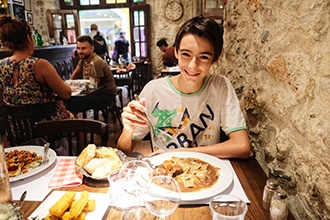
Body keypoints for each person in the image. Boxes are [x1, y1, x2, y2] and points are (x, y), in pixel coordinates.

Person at [117, 16, 250, 159]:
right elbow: (124, 152)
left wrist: (180, 153)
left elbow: (242, 147)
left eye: (203, 57)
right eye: (186, 54)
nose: (193, 65)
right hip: (164, 175)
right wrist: (128, 131)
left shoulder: (220, 86)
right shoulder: (153, 90)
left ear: (215, 59)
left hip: (207, 173)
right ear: (176, 53)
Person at [0, 16, 73, 146]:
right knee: (78, 122)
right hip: (45, 129)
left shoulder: (1, 65)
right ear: (29, 38)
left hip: (16, 130)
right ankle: (73, 157)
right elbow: (66, 93)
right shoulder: (39, 65)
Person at [69, 35, 117, 119]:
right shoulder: (83, 60)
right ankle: (75, 126)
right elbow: (74, 75)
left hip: (106, 95)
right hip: (96, 92)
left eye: (83, 48)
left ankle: (79, 127)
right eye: (78, 48)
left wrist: (77, 88)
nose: (80, 51)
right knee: (69, 101)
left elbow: (94, 87)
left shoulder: (96, 62)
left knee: (72, 104)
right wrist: (68, 86)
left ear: (92, 49)